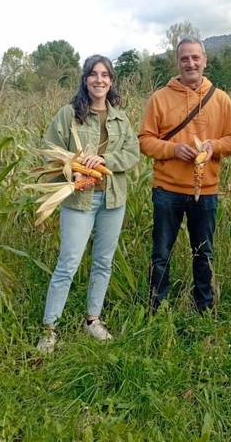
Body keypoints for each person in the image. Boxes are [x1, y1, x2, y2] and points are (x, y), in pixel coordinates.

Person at [37, 55, 140, 354]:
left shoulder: (120, 117)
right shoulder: (69, 115)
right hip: (80, 201)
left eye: (105, 74)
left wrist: (106, 160)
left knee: (103, 262)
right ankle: (50, 328)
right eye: (93, 74)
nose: (99, 80)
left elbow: (132, 154)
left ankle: (92, 319)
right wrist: (74, 169)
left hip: (113, 200)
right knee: (68, 263)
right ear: (85, 80)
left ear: (111, 80)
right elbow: (50, 153)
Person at [139, 37, 231, 313]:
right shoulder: (159, 98)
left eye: (195, 57)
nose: (191, 63)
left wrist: (214, 146)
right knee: (161, 253)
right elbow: (145, 141)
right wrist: (173, 149)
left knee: (204, 253)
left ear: (205, 60)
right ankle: (156, 307)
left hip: (205, 190)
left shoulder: (220, 99)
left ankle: (204, 307)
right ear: (177, 62)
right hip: (167, 190)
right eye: (185, 58)